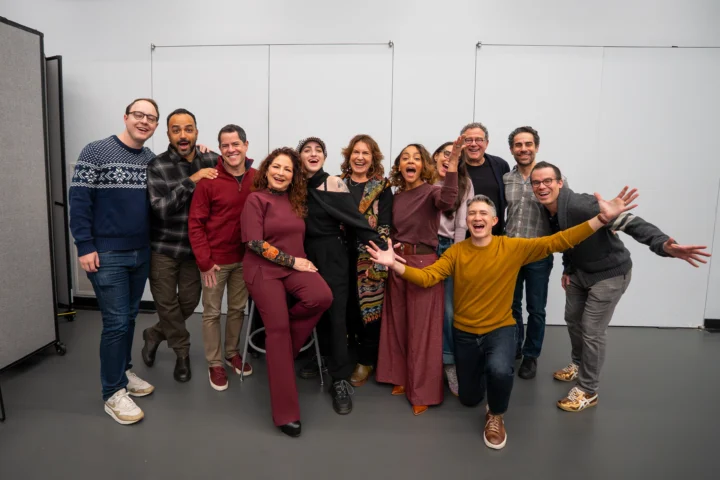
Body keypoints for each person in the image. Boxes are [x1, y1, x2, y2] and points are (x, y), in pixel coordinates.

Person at [367, 189, 640, 449]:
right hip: (464, 333)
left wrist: (601, 219)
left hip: (500, 329)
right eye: (472, 213)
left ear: (495, 220)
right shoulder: (456, 252)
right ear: (467, 220)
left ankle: (496, 414)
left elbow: (559, 240)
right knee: (469, 398)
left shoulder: (511, 247)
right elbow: (428, 278)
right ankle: (486, 379)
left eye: (483, 213)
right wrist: (394, 264)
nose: (477, 218)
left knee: (499, 371)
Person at [530, 161, 711, 412]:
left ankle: (588, 390)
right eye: (536, 182)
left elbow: (630, 222)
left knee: (591, 330)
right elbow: (570, 240)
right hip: (580, 273)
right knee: (573, 320)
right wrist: (568, 268)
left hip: (609, 274)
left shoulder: (581, 205)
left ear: (560, 182)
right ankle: (578, 363)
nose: (542, 186)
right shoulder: (547, 211)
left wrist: (663, 245)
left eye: (548, 180)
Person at [69, 98, 159, 425]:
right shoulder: (96, 151)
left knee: (130, 316)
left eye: (151, 117)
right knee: (117, 322)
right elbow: (79, 200)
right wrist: (85, 245)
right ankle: (112, 393)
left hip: (141, 251)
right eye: (139, 114)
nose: (144, 121)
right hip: (106, 254)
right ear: (126, 117)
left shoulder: (151, 159)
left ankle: (123, 371)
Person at [240, 147, 333, 437]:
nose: (281, 173)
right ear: (266, 170)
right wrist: (293, 261)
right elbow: (254, 243)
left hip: (294, 268)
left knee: (322, 297)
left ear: (294, 177)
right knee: (276, 330)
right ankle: (285, 414)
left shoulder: (296, 202)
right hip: (262, 269)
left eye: (288, 170)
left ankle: (280, 350)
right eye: (276, 167)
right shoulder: (256, 199)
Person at [297, 136, 385, 415]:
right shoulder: (295, 186)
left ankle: (340, 379)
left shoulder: (334, 183)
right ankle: (321, 357)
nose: (313, 154)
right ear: (299, 157)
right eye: (306, 150)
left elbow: (356, 222)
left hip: (333, 255)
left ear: (324, 156)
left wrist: (382, 249)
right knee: (313, 311)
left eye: (318, 150)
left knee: (336, 316)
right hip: (303, 257)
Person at [377, 141, 459, 416]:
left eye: (415, 158)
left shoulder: (433, 192)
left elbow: (448, 201)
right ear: (400, 166)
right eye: (404, 158)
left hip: (424, 265)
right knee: (398, 323)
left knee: (423, 330)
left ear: (423, 165)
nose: (410, 161)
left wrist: (453, 167)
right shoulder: (396, 196)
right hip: (397, 263)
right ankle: (401, 377)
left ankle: (423, 391)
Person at [142, 108, 219, 383]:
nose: (183, 135)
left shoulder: (212, 159)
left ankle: (154, 333)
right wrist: (191, 181)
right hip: (163, 248)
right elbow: (160, 209)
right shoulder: (157, 166)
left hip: (195, 251)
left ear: (197, 132)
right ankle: (182, 354)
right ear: (168, 134)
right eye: (176, 130)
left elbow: (236, 175)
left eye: (188, 129)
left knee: (187, 303)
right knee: (165, 303)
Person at [188, 124, 257, 391]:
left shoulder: (258, 178)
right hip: (214, 262)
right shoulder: (208, 181)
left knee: (238, 309)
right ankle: (215, 363)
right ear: (220, 149)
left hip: (245, 259)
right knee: (212, 313)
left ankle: (232, 354)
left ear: (246, 145)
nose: (231, 150)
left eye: (236, 144)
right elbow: (195, 224)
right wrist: (204, 261)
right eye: (225, 145)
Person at [503, 126, 567, 379]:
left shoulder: (548, 177)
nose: (523, 149)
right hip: (511, 252)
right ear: (512, 149)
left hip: (539, 253)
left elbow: (564, 216)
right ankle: (515, 348)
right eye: (518, 145)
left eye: (528, 144)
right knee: (511, 306)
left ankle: (531, 356)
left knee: (536, 308)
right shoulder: (506, 179)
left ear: (536, 147)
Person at [339, 134, 394, 387]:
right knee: (345, 308)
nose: (360, 157)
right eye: (356, 152)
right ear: (349, 156)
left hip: (370, 256)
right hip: (339, 255)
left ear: (373, 159)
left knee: (370, 311)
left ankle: (366, 360)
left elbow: (384, 225)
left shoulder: (382, 187)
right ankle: (345, 353)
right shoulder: (337, 184)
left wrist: (378, 255)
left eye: (366, 153)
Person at [432, 141, 475, 396]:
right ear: (436, 156)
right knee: (425, 307)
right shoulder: (424, 181)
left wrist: (456, 255)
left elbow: (463, 224)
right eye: (446, 153)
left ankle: (449, 363)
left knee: (449, 309)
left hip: (449, 248)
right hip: (424, 249)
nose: (449, 159)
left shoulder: (465, 184)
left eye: (455, 156)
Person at [459, 122, 510, 235]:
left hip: (494, 237)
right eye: (468, 140)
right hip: (461, 238)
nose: (473, 144)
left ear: (486, 143)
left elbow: (506, 197)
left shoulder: (500, 165)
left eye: (479, 140)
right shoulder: (454, 167)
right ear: (461, 143)